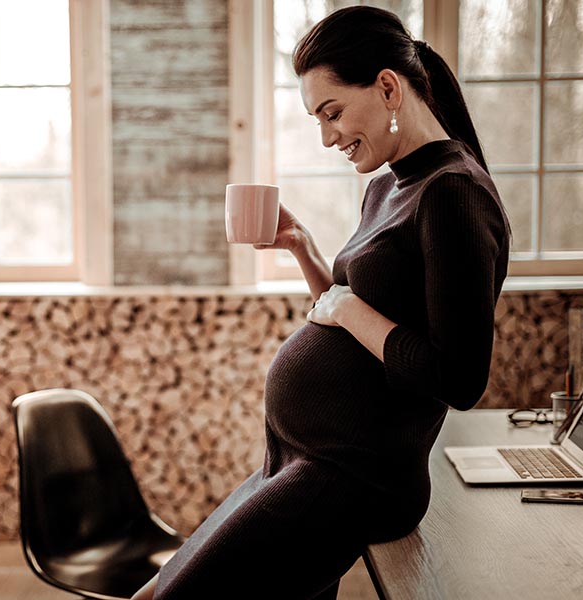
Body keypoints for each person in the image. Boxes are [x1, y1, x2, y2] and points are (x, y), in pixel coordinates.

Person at [132, 6, 510, 599]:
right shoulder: (390, 183)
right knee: (155, 591)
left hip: (355, 475)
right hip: (297, 459)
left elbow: (458, 379)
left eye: (332, 113)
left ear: (388, 86)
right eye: (317, 119)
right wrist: (305, 250)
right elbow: (352, 326)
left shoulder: (453, 193)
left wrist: (345, 309)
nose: (328, 136)